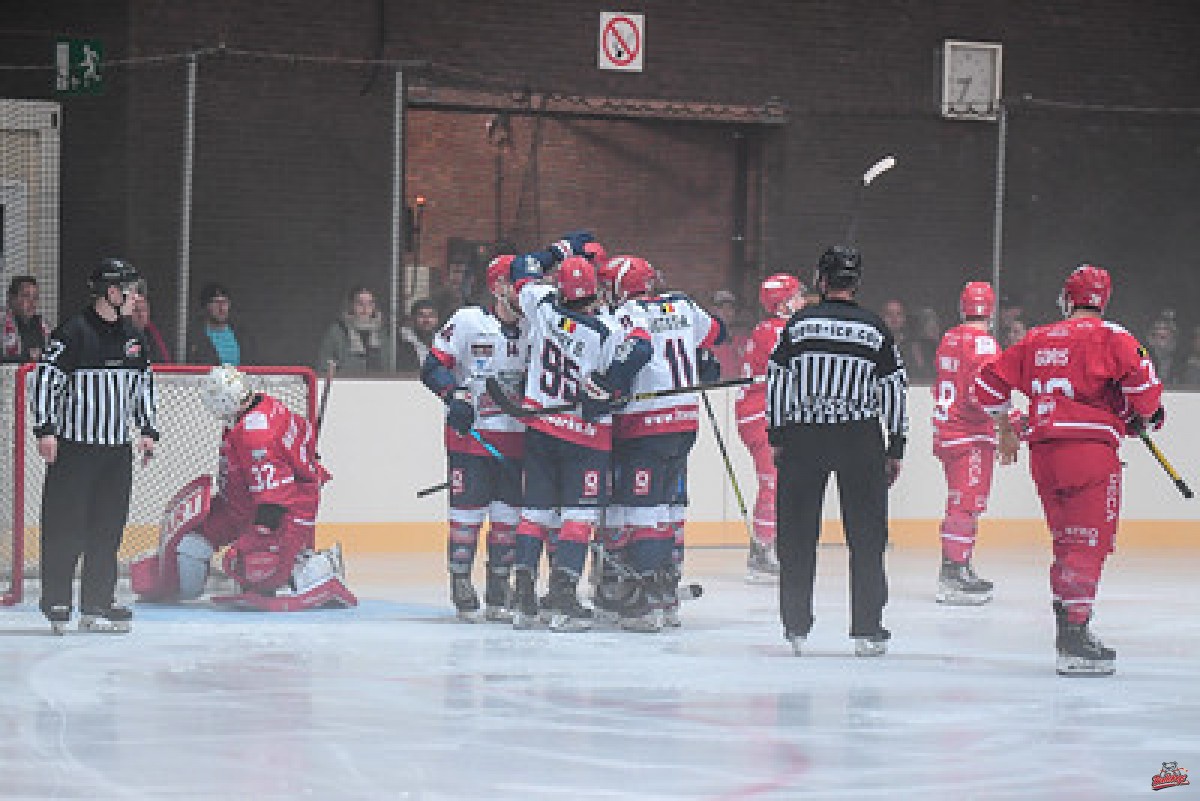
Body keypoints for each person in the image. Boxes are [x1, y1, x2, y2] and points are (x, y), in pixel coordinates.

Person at [976, 263, 1163, 677]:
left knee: (1065, 543)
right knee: (1088, 545)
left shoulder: (1037, 338)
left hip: (1045, 455)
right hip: (1091, 453)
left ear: (1067, 297)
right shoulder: (1114, 337)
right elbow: (1147, 396)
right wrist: (1144, 417)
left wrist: (1006, 427)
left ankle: (1069, 626)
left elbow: (987, 384)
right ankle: (1074, 639)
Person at [767, 246, 908, 657]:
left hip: (805, 437)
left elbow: (778, 380)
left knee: (796, 536)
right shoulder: (875, 328)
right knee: (866, 539)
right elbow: (894, 389)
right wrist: (895, 445)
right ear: (856, 281)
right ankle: (867, 628)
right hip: (859, 439)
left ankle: (796, 626)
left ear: (822, 280)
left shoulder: (800, 324)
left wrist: (778, 433)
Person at [508, 240, 651, 632]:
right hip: (584, 438)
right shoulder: (603, 330)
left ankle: (522, 600)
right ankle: (564, 600)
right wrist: (608, 388)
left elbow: (521, 266)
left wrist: (562, 246)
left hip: (540, 428)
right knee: (578, 516)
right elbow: (638, 353)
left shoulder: (541, 305)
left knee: (534, 514)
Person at [131, 365, 356, 611]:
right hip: (240, 504)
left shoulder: (254, 434)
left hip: (285, 511)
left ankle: (316, 567)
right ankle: (284, 562)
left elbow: (274, 500)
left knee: (246, 566)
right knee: (191, 545)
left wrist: (255, 539)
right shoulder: (266, 405)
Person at [30, 258, 158, 633]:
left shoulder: (133, 337)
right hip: (75, 449)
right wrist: (45, 429)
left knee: (108, 529)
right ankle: (57, 599)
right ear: (110, 291)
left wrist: (147, 429)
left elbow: (143, 385)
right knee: (65, 527)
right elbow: (45, 381)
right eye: (128, 288)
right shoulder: (73, 333)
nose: (135, 296)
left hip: (116, 452)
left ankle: (98, 602)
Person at [603, 255, 722, 631]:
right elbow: (718, 332)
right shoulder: (684, 304)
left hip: (644, 424)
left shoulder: (629, 314)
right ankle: (666, 596)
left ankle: (642, 602)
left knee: (641, 511)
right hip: (684, 422)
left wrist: (609, 387)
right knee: (669, 509)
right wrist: (698, 355)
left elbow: (630, 357)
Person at [421, 254, 528, 621]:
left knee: (508, 520)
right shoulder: (468, 321)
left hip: (517, 442)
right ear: (498, 287)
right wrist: (454, 395)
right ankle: (461, 581)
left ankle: (500, 588)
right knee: (466, 518)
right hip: (472, 440)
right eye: (517, 284)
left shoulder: (537, 325)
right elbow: (432, 366)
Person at [931, 282, 1002, 605]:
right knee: (966, 503)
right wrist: (1010, 418)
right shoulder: (984, 344)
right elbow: (982, 392)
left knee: (962, 501)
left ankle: (960, 565)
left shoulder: (949, 338)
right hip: (969, 433)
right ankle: (953, 572)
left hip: (948, 431)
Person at [734, 273, 805, 582]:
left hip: (766, 415)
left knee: (780, 482)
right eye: (798, 296)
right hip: (760, 416)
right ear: (783, 303)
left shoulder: (777, 329)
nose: (804, 301)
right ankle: (762, 552)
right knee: (773, 483)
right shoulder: (776, 331)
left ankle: (768, 545)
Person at [316, 286, 395, 375]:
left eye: (369, 304)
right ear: (351, 305)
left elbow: (390, 366)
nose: (365, 309)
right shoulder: (337, 332)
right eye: (360, 304)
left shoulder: (381, 333)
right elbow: (324, 367)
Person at [187, 282, 253, 366]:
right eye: (216, 302)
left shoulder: (242, 334)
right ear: (206, 306)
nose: (221, 308)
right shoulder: (195, 336)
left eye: (225, 302)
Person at [2, 275, 51, 362]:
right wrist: (27, 356)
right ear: (11, 298)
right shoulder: (2, 325)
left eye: (35, 298)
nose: (32, 303)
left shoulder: (42, 325)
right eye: (26, 296)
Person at [129, 279, 171, 363]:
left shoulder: (153, 333)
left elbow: (165, 362)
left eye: (144, 310)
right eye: (136, 310)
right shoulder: (120, 333)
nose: (141, 315)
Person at [396, 298, 439, 371]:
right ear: (412, 318)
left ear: (437, 319)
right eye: (421, 316)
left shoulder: (444, 343)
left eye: (431, 316)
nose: (427, 320)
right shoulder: (401, 343)